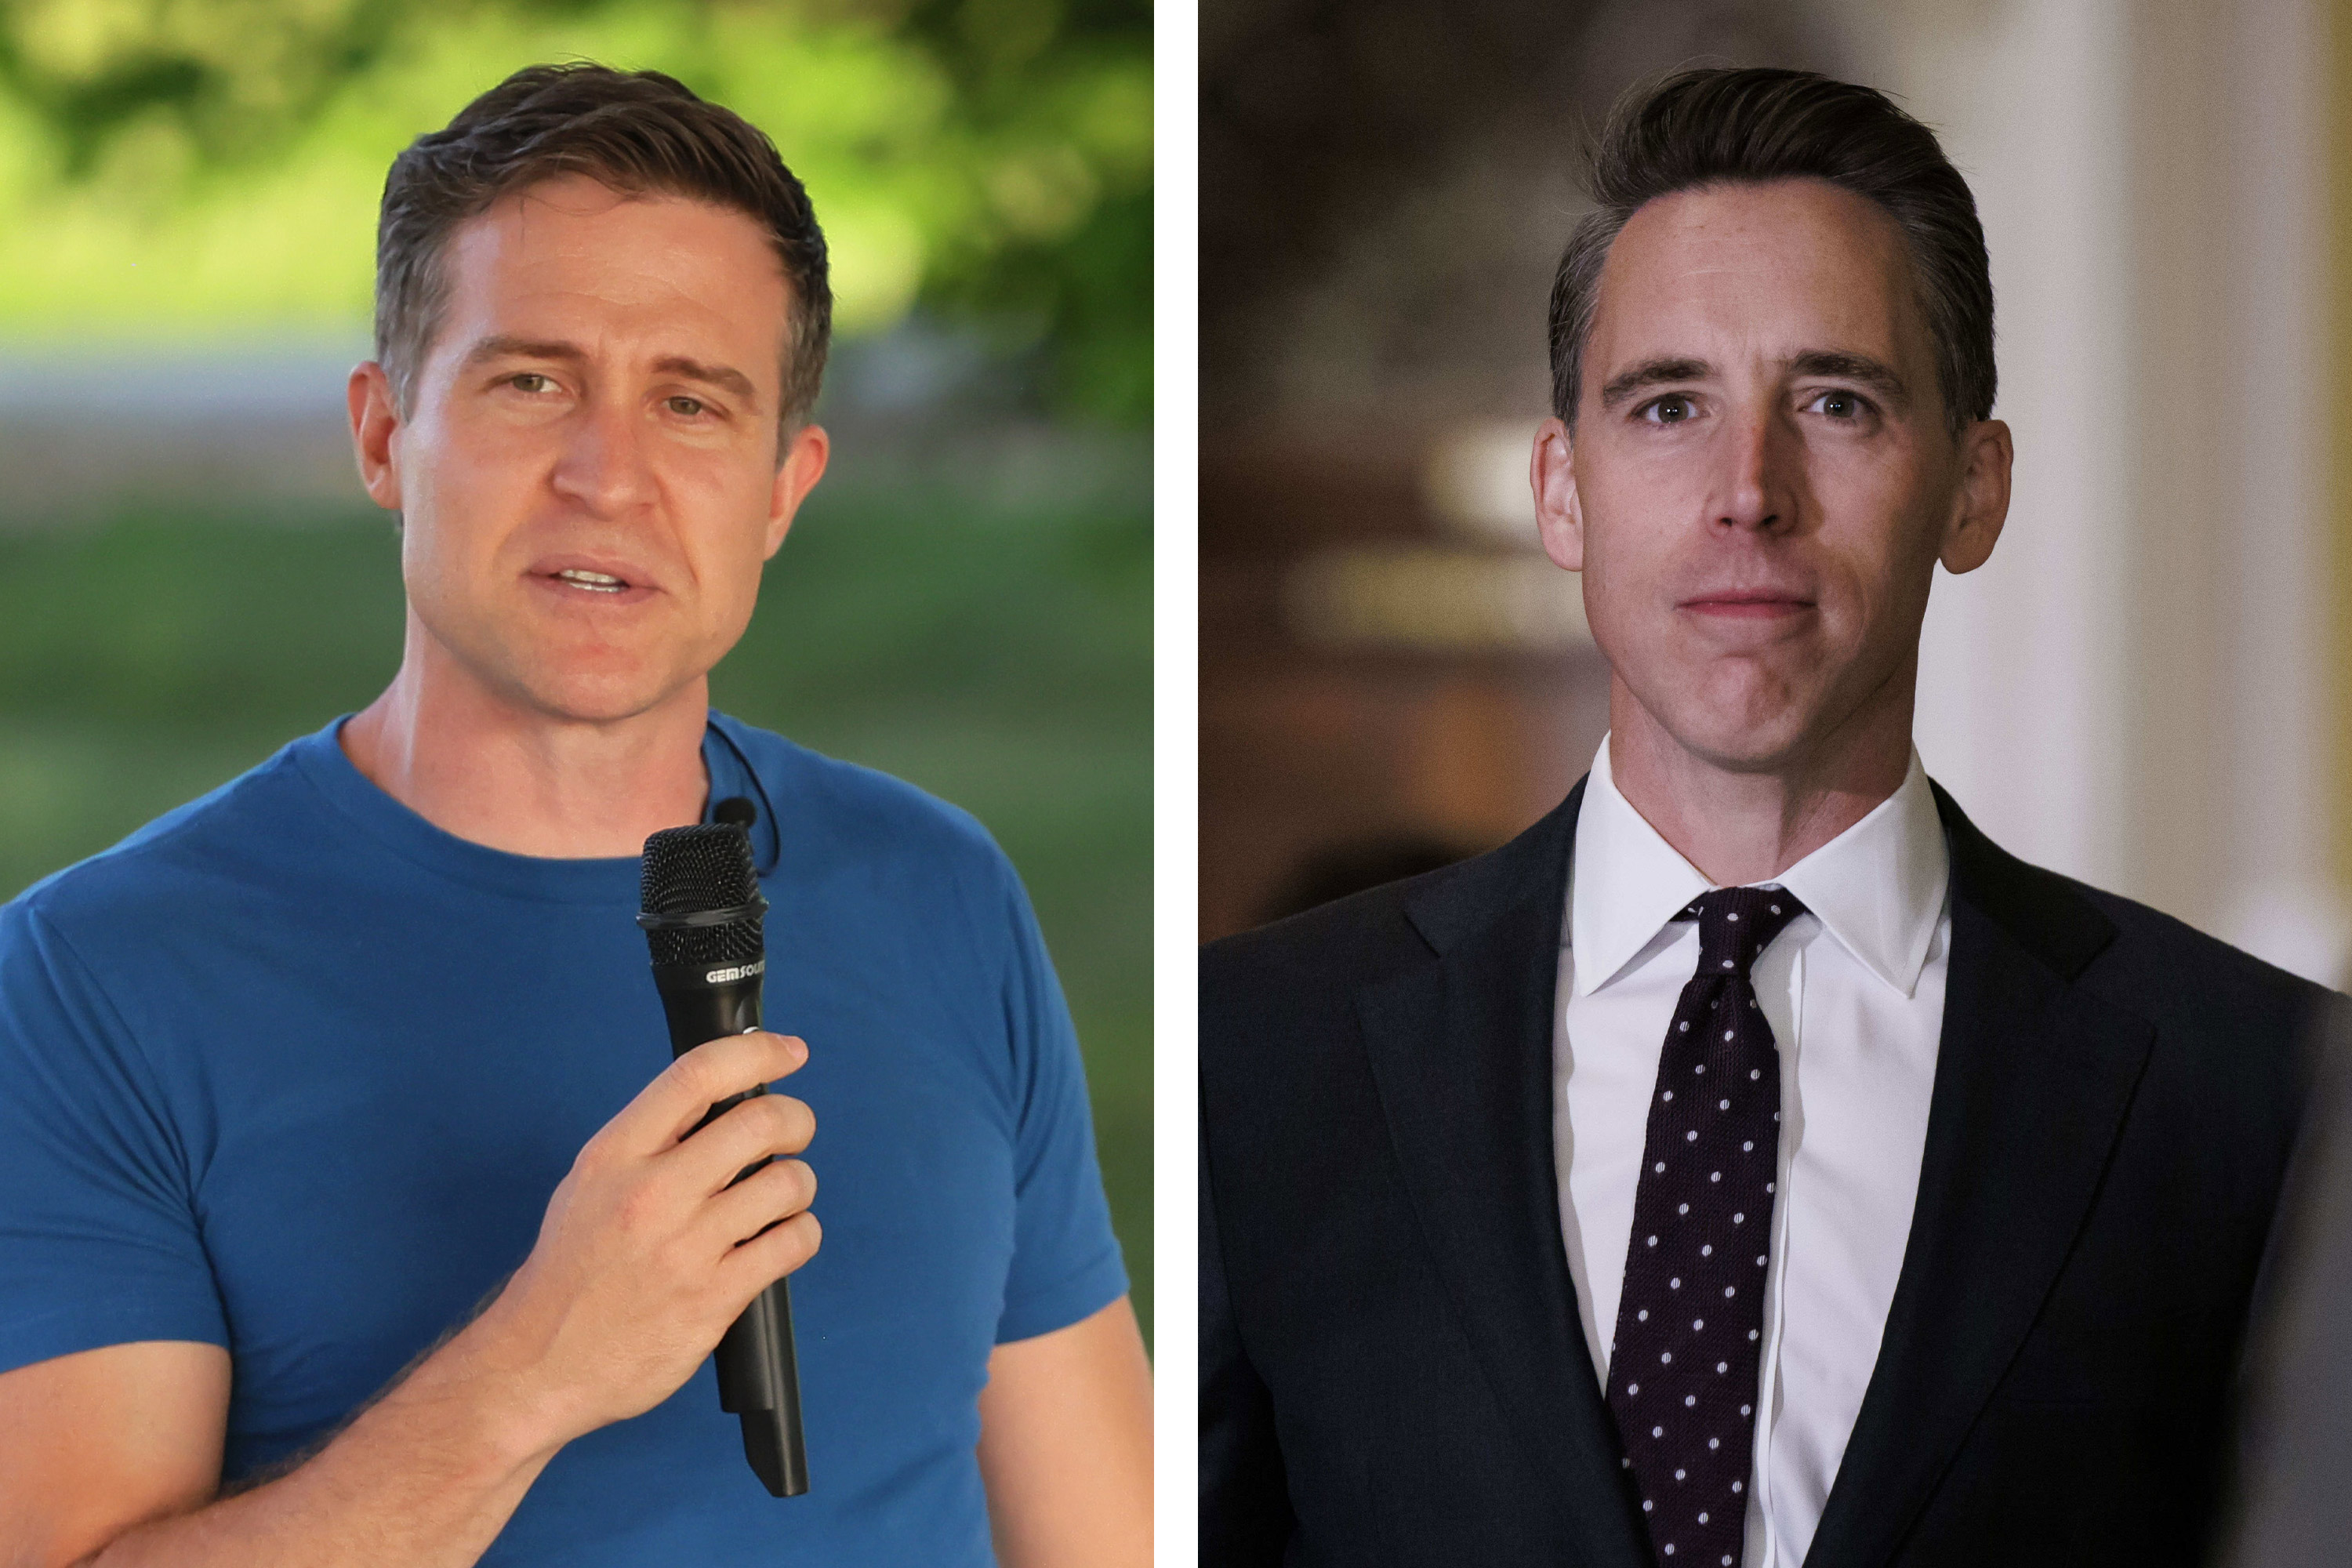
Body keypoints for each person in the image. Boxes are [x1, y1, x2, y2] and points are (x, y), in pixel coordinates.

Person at [0, 64, 1149, 1568]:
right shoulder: (92, 977)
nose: (609, 476)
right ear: (383, 435)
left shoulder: (939, 886)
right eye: (531, 380)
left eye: (691, 402)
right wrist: (535, 1373)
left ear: (782, 490)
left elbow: (1110, 1528)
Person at [1200, 67, 2334, 1568]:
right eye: (1669, 405)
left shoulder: (2265, 1095)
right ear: (1563, 491)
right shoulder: (1262, 1056)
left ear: (1974, 489)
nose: (1750, 491)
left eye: (1837, 402)